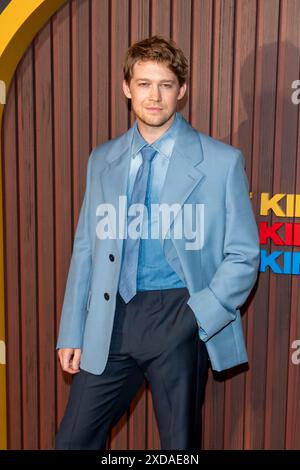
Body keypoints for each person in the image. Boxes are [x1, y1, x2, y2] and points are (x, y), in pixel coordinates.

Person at [54, 35, 260, 450]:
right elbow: (86, 249)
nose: (154, 96)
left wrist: (197, 314)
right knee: (72, 442)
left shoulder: (220, 161)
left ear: (181, 91)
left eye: (165, 85)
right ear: (127, 88)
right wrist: (72, 330)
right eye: (144, 84)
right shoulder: (102, 159)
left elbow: (243, 254)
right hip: (111, 319)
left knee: (179, 449)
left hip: (178, 316)